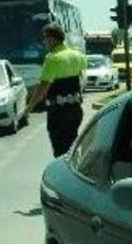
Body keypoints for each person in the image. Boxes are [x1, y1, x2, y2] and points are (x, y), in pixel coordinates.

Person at [28, 23, 87, 157]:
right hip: (75, 110)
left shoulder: (53, 58)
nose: (44, 41)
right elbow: (82, 78)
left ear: (52, 39)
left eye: (45, 38)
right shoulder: (77, 55)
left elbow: (43, 88)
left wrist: (28, 109)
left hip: (59, 113)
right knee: (72, 147)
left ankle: (63, 170)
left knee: (60, 151)